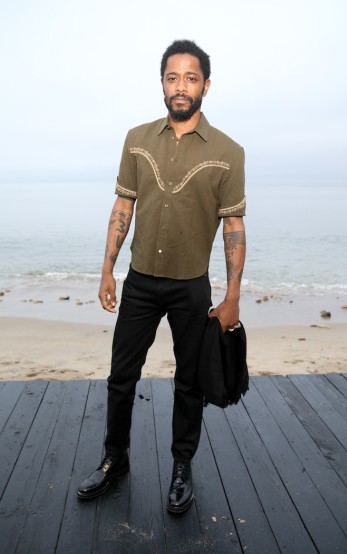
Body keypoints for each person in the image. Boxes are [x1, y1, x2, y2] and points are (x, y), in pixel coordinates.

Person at [77, 39, 246, 514]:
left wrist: (232, 296)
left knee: (190, 382)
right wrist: (108, 269)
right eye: (172, 77)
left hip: (192, 285)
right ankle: (115, 460)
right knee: (120, 377)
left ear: (206, 86)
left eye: (191, 78)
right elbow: (123, 205)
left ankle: (181, 467)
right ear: (162, 83)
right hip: (140, 282)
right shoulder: (136, 139)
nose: (180, 86)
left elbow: (233, 226)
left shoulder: (229, 153)